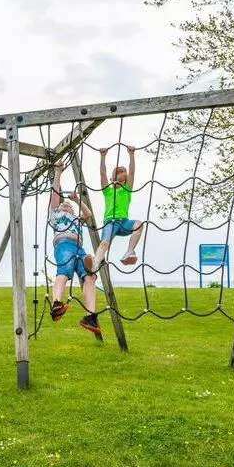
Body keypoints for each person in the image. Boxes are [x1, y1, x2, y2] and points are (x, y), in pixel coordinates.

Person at [48, 158, 101, 336]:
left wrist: (77, 200)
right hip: (63, 244)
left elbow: (88, 214)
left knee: (90, 277)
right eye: (65, 204)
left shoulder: (77, 219)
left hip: (79, 248)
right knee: (64, 269)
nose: (66, 205)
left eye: (68, 206)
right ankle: (56, 303)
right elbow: (55, 193)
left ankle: (90, 316)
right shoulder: (56, 214)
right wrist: (58, 172)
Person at [92, 144, 144, 272]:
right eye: (115, 179)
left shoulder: (127, 190)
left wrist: (131, 154)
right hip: (110, 222)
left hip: (124, 223)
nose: (117, 182)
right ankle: (95, 263)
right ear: (111, 180)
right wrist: (103, 156)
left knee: (139, 224)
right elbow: (102, 173)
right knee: (104, 243)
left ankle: (129, 252)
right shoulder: (107, 191)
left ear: (125, 182)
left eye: (121, 180)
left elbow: (132, 172)